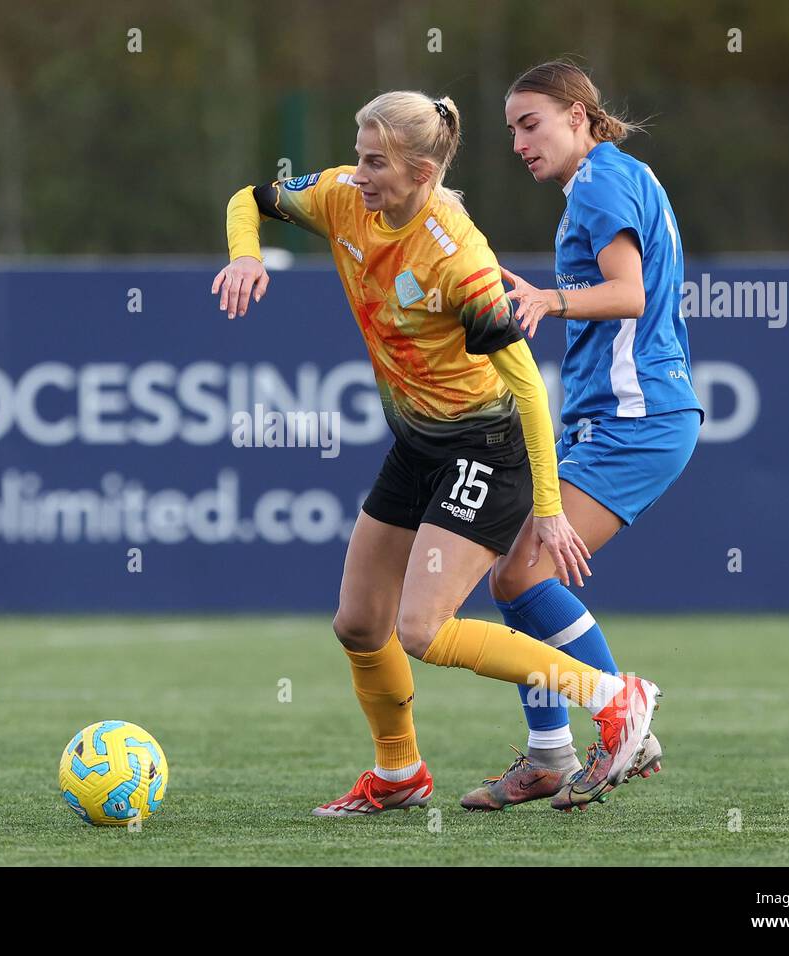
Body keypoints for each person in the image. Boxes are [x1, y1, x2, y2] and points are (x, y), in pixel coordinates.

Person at [213, 89, 660, 816]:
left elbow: (527, 389)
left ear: (422, 172)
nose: (357, 174)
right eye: (358, 155)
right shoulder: (341, 197)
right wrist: (245, 257)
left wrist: (548, 510)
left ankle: (614, 696)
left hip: (488, 449)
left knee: (421, 629)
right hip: (418, 443)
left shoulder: (459, 258)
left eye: (375, 162)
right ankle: (399, 775)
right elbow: (247, 198)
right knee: (359, 622)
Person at [459, 60, 702, 812]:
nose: (518, 143)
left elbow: (627, 293)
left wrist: (547, 298)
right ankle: (549, 753)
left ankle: (621, 714)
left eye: (530, 124)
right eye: (510, 131)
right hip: (625, 417)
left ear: (578, 115)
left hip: (639, 417)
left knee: (523, 574)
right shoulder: (609, 178)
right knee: (516, 576)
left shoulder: (600, 182)